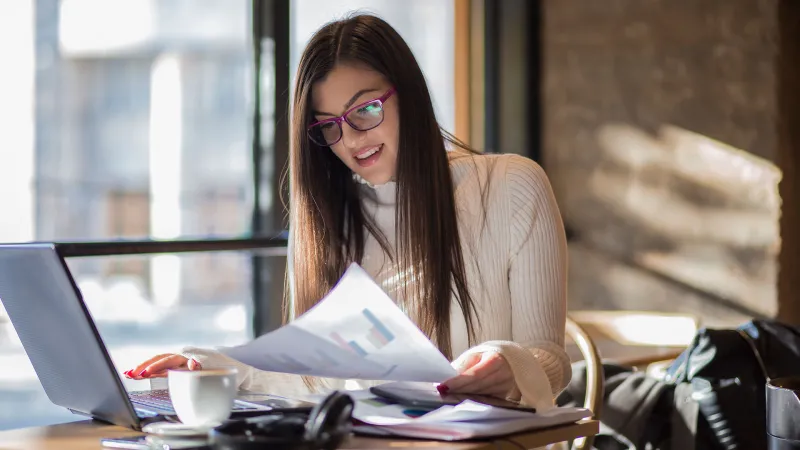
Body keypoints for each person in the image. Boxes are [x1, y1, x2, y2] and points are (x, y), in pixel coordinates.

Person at [126, 13, 570, 412]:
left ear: (409, 97)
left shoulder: (511, 185)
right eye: (328, 125)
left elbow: (551, 359)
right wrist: (210, 366)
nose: (352, 139)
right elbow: (315, 377)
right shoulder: (327, 217)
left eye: (366, 109)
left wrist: (511, 366)